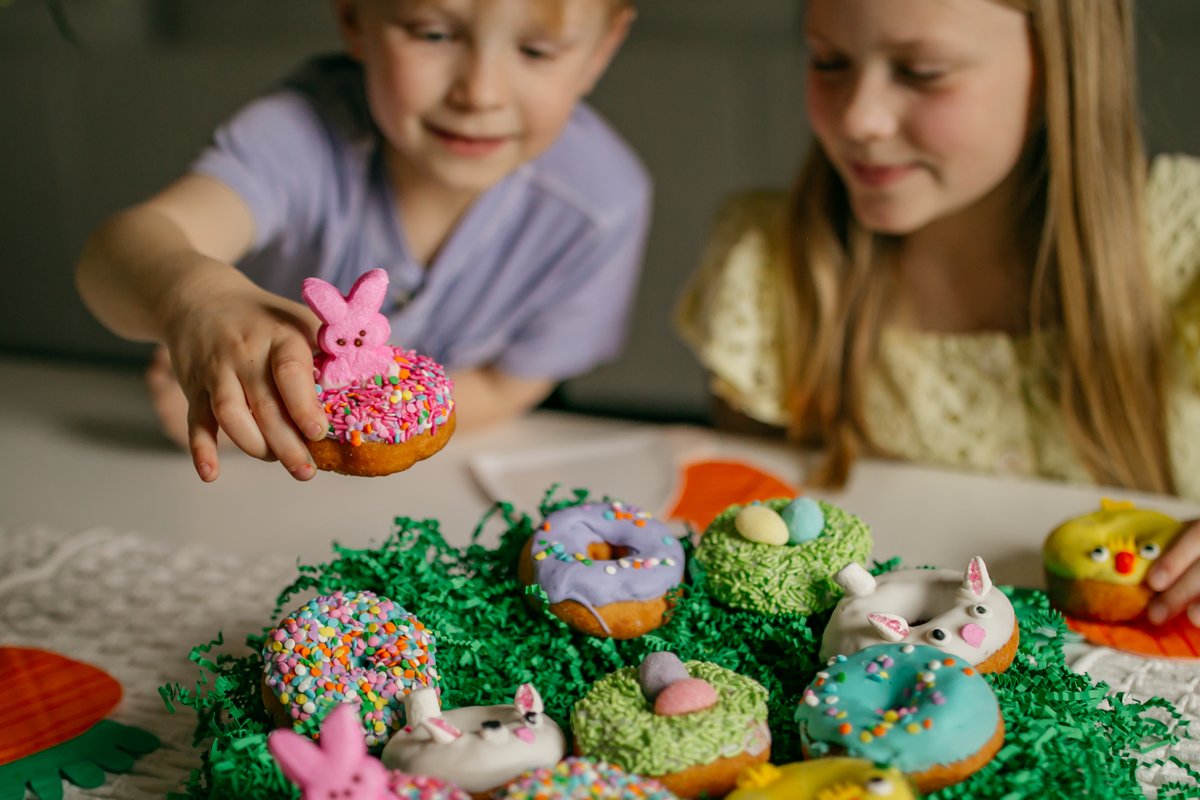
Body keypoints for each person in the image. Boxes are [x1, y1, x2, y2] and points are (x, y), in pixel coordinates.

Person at [675, 0, 1200, 625]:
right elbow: (751, 531)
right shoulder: (771, 265)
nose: (859, 118)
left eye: (924, 71)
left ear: (1060, 67)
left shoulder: (1184, 240)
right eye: (829, 61)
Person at [75, 0, 649, 484]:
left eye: (536, 52)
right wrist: (195, 301)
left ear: (601, 48)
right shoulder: (300, 137)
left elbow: (507, 386)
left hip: (463, 476)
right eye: (434, 34)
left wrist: (345, 423)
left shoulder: (600, 203)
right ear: (354, 18)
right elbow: (118, 250)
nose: (480, 93)